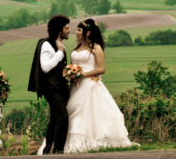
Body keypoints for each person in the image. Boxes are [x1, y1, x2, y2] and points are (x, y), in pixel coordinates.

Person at [63, 18, 138, 153]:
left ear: (87, 33)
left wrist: (82, 74)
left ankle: (93, 141)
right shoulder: (77, 48)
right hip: (76, 86)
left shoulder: (96, 48)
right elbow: (72, 64)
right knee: (74, 112)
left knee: (89, 114)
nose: (76, 33)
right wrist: (71, 74)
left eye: (79, 30)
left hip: (90, 85)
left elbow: (101, 69)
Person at [27, 14, 71, 155]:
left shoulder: (59, 44)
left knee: (54, 119)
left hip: (59, 88)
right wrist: (59, 53)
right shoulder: (47, 44)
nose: (69, 30)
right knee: (63, 117)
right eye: (66, 28)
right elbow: (45, 67)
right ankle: (58, 150)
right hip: (51, 89)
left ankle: (47, 149)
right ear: (59, 30)